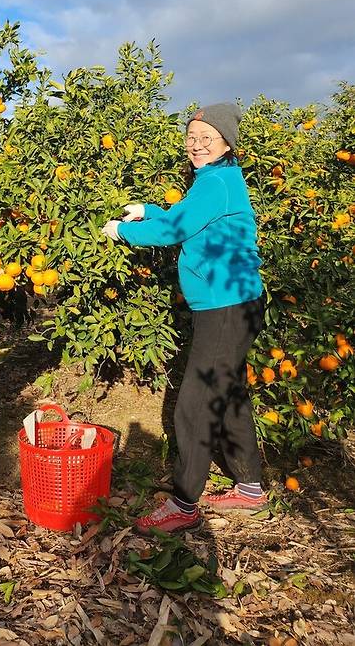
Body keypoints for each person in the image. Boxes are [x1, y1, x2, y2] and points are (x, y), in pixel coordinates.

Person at [102, 103, 266, 534]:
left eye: (205, 138)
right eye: (191, 137)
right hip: (233, 303)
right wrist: (149, 210)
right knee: (228, 393)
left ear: (227, 143)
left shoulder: (217, 183)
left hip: (225, 306)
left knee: (194, 402)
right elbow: (183, 220)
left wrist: (124, 231)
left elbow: (175, 231)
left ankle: (184, 503)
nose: (195, 145)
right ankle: (250, 490)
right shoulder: (214, 180)